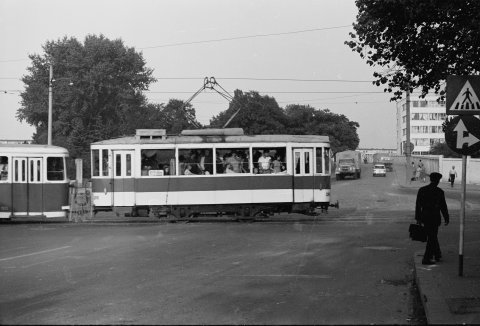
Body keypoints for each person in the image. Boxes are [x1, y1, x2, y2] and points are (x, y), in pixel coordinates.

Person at [415, 172, 450, 265]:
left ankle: (437, 254)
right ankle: (426, 258)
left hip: (425, 217)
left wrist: (418, 218)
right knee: (432, 237)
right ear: (438, 181)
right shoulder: (439, 192)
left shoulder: (422, 190)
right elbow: (443, 206)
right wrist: (446, 217)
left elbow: (418, 205)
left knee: (432, 236)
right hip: (435, 217)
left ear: (430, 179)